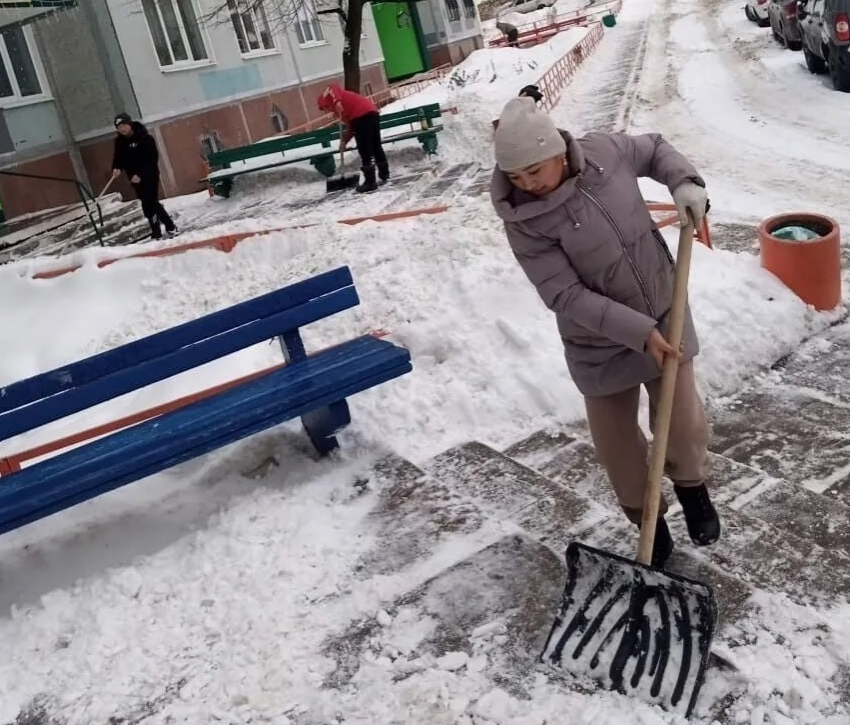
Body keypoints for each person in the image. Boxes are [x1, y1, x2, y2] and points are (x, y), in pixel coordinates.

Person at [490, 97, 721, 568]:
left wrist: (684, 181)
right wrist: (636, 333)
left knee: (682, 421)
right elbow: (565, 295)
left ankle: (693, 491)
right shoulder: (523, 221)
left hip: (662, 307)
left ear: (557, 151)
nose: (528, 184)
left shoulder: (605, 153)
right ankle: (650, 528)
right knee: (618, 449)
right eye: (516, 177)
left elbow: (653, 149)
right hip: (595, 341)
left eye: (534, 170)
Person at [111, 113, 177, 240]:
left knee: (151, 203)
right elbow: (118, 158)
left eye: (124, 125)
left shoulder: (145, 138)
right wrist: (116, 168)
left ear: (129, 124)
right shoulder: (119, 142)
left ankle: (170, 227)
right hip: (134, 179)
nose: (122, 129)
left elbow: (152, 159)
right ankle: (158, 231)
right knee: (147, 205)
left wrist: (141, 174)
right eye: (119, 127)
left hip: (149, 176)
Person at [317, 84, 389, 194]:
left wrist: (337, 102)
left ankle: (370, 182)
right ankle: (384, 174)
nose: (327, 110)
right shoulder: (341, 110)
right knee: (375, 145)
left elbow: (333, 87)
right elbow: (352, 126)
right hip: (371, 112)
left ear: (325, 102)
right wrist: (344, 141)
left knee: (364, 149)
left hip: (362, 116)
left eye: (325, 107)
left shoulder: (332, 96)